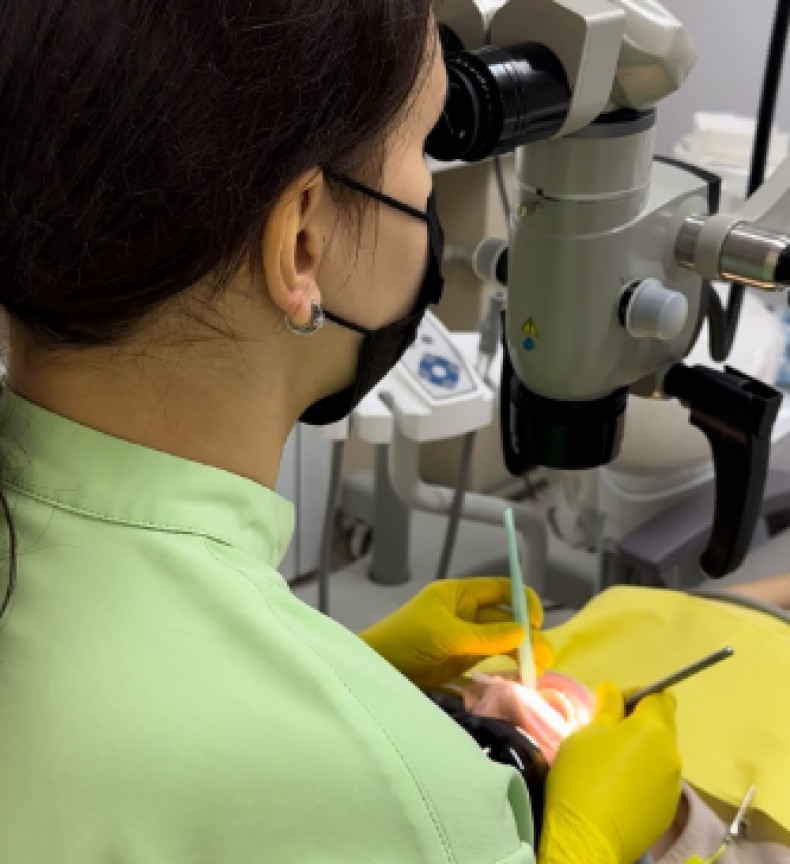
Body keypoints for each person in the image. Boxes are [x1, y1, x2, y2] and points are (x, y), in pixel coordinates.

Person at [0, 3, 680, 861]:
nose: (426, 190)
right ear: (303, 241)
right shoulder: (418, 808)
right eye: (423, 145)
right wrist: (586, 847)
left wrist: (344, 678)